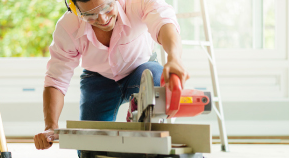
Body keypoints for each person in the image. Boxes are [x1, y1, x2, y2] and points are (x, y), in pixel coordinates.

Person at [34, 0, 189, 150]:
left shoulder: (138, 2)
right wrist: (50, 126)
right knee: (89, 151)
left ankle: (144, 133)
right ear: (76, 10)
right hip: (98, 79)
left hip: (142, 69)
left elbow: (164, 22)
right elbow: (56, 79)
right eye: (90, 15)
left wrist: (174, 58)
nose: (102, 19)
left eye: (107, 7)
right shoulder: (67, 27)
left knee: (157, 79)